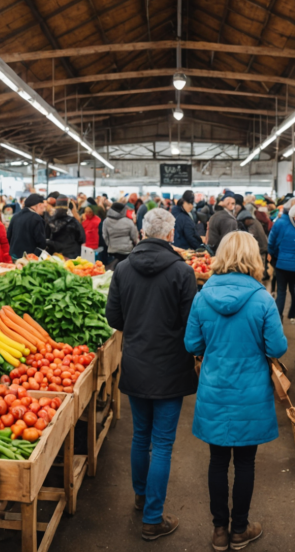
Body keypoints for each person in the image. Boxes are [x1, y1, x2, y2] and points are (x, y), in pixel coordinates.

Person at [184, 231, 286, 551]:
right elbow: (278, 347)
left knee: (217, 461)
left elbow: (192, 344)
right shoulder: (262, 299)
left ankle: (219, 531)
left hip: (214, 389)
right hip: (251, 392)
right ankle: (240, 530)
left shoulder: (202, 297)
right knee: (245, 463)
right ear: (253, 257)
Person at [106, 208, 196, 541]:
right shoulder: (182, 272)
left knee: (140, 437)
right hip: (171, 367)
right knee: (161, 444)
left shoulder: (123, 269)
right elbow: (191, 324)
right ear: (171, 235)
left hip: (136, 363)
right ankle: (152, 518)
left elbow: (114, 318)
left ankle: (141, 497)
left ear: (142, 232)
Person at [268, 203, 295, 323]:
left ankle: (278, 318)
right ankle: (292, 314)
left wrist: (275, 256)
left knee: (281, 291)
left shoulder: (279, 223)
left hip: (281, 263)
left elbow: (271, 242)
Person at [8, 193, 49, 259]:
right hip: (29, 258)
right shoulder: (37, 219)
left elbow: (8, 236)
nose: (43, 210)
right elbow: (41, 242)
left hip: (13, 255)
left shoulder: (15, 216)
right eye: (43, 207)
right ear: (39, 205)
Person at [103, 202, 139, 269]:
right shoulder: (129, 221)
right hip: (127, 251)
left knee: (111, 271)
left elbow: (105, 236)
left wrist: (110, 245)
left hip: (112, 250)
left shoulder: (106, 221)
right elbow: (134, 237)